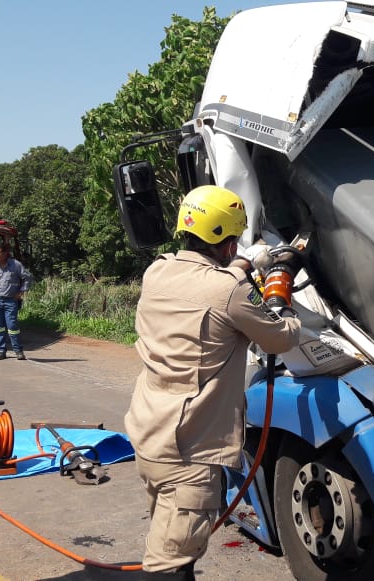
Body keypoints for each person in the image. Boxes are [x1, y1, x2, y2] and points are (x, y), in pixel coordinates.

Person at [124, 185, 301, 580]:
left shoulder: (158, 271)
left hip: (150, 434)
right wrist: (280, 291)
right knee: (169, 566)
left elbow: (207, 287)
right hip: (189, 449)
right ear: (229, 242)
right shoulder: (230, 290)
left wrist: (241, 266)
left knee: (171, 543)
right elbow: (281, 338)